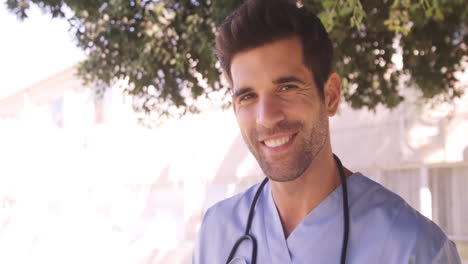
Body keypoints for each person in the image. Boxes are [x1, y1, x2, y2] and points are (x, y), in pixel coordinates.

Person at [192, 0, 462, 263]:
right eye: (248, 96)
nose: (266, 117)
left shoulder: (413, 248)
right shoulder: (217, 233)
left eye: (287, 87)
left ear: (330, 96)